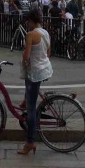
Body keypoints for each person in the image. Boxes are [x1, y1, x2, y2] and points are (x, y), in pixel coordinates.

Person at [18, 9, 53, 155]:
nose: (27, 24)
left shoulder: (31, 35)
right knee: (30, 91)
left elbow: (26, 57)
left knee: (31, 110)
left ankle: (30, 142)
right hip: (45, 68)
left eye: (28, 21)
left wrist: (26, 56)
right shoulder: (45, 33)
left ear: (32, 20)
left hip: (35, 72)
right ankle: (26, 99)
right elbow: (48, 53)